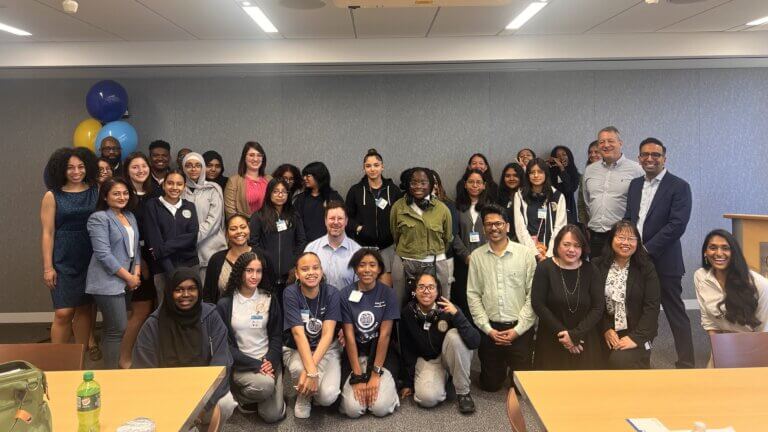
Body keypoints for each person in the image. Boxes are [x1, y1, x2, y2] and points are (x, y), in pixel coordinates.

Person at [132, 268, 235, 431]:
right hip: (165, 394)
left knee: (226, 402)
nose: (185, 294)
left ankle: (202, 425)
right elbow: (143, 371)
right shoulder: (154, 324)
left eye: (191, 289)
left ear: (199, 290)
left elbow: (222, 362)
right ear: (169, 292)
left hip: (204, 391)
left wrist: (203, 408)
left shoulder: (211, 317)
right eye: (178, 290)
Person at [624, 137, 694, 369]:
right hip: (636, 260)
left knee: (675, 313)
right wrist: (628, 245)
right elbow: (629, 218)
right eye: (645, 154)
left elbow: (677, 225)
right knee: (640, 312)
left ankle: (686, 363)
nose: (650, 158)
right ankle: (640, 361)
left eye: (656, 154)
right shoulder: (635, 185)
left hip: (665, 262)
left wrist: (645, 249)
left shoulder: (679, 186)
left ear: (665, 158)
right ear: (639, 158)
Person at [467, 204, 536, 392]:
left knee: (522, 389)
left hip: (520, 329)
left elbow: (533, 295)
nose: (494, 228)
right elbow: (473, 295)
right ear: (483, 228)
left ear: (507, 226)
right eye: (488, 224)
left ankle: (512, 364)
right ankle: (498, 367)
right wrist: (488, 329)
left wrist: (518, 330)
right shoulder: (477, 257)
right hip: (491, 330)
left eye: (498, 223)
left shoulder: (525, 255)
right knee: (490, 385)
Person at [215, 252, 286, 423]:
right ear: (240, 272)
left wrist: (269, 361)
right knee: (265, 386)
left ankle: (259, 395)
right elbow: (225, 346)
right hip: (242, 365)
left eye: (258, 271)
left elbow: (277, 335)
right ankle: (241, 396)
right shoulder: (225, 304)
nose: (254, 276)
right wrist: (256, 364)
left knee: (272, 415)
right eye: (249, 271)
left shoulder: (269, 298)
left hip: (268, 362)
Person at [41, 147, 98, 346]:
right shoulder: (52, 195)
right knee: (63, 313)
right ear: (61, 169)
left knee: (84, 309)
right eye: (70, 167)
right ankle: (57, 360)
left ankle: (79, 358)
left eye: (81, 167)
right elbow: (48, 233)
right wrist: (48, 267)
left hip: (91, 256)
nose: (76, 171)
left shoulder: (96, 191)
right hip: (63, 259)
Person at [399, 273, 480, 413]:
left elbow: (475, 341)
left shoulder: (449, 309)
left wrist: (457, 315)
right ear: (415, 291)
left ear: (438, 291)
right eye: (421, 287)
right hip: (427, 361)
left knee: (455, 337)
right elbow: (406, 349)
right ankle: (446, 377)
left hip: (448, 356)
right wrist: (408, 381)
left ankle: (463, 392)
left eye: (431, 287)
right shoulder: (408, 313)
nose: (426, 291)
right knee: (427, 399)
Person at [84, 178, 141, 369]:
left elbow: (136, 248)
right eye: (116, 193)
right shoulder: (99, 218)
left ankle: (114, 369)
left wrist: (136, 272)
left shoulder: (129, 216)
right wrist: (129, 277)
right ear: (105, 196)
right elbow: (103, 254)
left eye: (125, 193)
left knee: (115, 329)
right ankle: (110, 373)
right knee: (117, 328)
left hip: (127, 280)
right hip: (106, 281)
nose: (122, 197)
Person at [531, 225, 604, 370]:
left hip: (584, 340)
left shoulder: (591, 269)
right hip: (552, 338)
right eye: (566, 244)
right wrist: (566, 337)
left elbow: (598, 307)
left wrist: (576, 335)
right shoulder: (545, 267)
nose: (571, 250)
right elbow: (538, 304)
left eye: (577, 245)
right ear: (557, 245)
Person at [339, 249, 400, 418]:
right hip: (355, 353)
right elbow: (349, 336)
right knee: (353, 410)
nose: (367, 269)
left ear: (379, 269)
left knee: (380, 408)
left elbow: (385, 335)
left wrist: (375, 373)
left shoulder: (388, 294)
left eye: (372, 265)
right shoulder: (345, 294)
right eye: (362, 265)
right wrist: (358, 377)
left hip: (381, 354)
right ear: (355, 268)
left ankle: (390, 392)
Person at [593, 221, 660, 369]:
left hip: (638, 330)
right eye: (621, 237)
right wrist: (606, 329)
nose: (625, 243)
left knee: (619, 360)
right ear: (611, 240)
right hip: (607, 328)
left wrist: (635, 338)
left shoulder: (646, 268)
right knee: (592, 361)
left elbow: (652, 307)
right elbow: (594, 304)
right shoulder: (597, 265)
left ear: (638, 243)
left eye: (631, 239)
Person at [282, 252, 342, 419]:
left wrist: (311, 372)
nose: (311, 272)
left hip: (326, 348)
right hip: (297, 348)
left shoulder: (332, 293)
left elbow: (328, 335)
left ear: (321, 271)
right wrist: (311, 372)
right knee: (298, 368)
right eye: (305, 269)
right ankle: (304, 397)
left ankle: (313, 388)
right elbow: (298, 334)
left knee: (327, 397)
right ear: (297, 274)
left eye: (315, 268)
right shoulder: (290, 293)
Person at [390, 167, 453, 306]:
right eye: (414, 183)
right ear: (408, 185)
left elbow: (447, 238)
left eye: (423, 183)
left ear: (431, 185)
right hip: (405, 261)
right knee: (400, 305)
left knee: (440, 305)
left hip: (435, 261)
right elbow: (395, 234)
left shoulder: (442, 209)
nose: (418, 186)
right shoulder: (398, 207)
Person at [120, 152, 158, 368]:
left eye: (144, 166)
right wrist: (140, 261)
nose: (140, 170)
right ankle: (124, 358)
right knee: (141, 310)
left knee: (154, 309)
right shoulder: (124, 196)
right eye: (135, 167)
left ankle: (144, 355)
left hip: (157, 258)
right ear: (127, 170)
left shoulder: (155, 192)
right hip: (134, 259)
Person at [582, 126, 644, 258]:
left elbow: (643, 204)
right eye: (601, 142)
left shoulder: (637, 170)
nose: (606, 145)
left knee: (623, 271)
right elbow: (587, 201)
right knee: (596, 271)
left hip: (623, 237)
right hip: (595, 236)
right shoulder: (590, 170)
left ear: (620, 143)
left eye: (610, 141)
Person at [344, 149, 402, 288]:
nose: (372, 169)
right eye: (368, 166)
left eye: (376, 165)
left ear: (382, 167)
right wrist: (359, 228)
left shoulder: (393, 190)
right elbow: (346, 218)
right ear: (363, 168)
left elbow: (401, 217)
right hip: (363, 248)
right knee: (364, 288)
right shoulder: (356, 190)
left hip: (387, 248)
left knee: (385, 290)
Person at [695, 230, 768, 336]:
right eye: (713, 248)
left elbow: (764, 330)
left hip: (755, 342)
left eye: (725, 248)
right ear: (705, 252)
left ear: (734, 253)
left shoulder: (760, 284)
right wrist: (718, 344)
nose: (719, 253)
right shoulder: (701, 276)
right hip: (721, 341)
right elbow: (708, 320)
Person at [144, 170, 200, 306]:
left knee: (190, 305)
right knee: (165, 306)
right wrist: (172, 273)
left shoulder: (190, 206)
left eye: (179, 184)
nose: (174, 187)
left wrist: (164, 247)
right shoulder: (152, 205)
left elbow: (191, 237)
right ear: (163, 185)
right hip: (163, 266)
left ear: (184, 186)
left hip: (190, 265)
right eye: (170, 183)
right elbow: (153, 239)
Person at [249, 178, 307, 301]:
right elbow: (253, 243)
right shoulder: (258, 216)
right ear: (269, 193)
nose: (280, 195)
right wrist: (264, 263)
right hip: (266, 274)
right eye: (276, 191)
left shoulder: (294, 215)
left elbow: (301, 241)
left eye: (284, 192)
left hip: (289, 274)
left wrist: (294, 263)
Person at [452, 169, 490, 324]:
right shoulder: (455, 207)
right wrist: (466, 256)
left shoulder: (490, 207)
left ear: (484, 185)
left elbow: (495, 233)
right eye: (471, 182)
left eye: (478, 182)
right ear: (465, 184)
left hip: (486, 261)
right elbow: (453, 235)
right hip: (463, 262)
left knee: (484, 299)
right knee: (464, 299)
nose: (475, 185)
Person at [181, 152, 227, 283]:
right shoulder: (179, 189)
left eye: (197, 165)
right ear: (183, 168)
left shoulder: (213, 189)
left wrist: (192, 238)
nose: (193, 169)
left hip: (212, 249)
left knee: (212, 291)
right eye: (189, 165)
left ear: (202, 168)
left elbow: (214, 221)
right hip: (187, 253)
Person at [513, 158, 567, 261]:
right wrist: (535, 253)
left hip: (552, 253)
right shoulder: (519, 196)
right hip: (527, 251)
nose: (536, 175)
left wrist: (548, 254)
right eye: (532, 172)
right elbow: (520, 227)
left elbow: (560, 227)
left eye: (540, 172)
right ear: (527, 175)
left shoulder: (557, 196)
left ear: (546, 174)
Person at [304, 201, 361, 290]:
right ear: (325, 221)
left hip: (347, 299)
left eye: (340, 218)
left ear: (346, 221)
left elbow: (361, 288)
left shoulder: (357, 252)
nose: (336, 222)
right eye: (332, 218)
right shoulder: (311, 249)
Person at [205, 215, 253, 304]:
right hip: (223, 311)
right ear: (226, 233)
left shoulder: (261, 257)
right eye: (233, 229)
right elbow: (208, 296)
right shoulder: (216, 260)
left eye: (243, 227)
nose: (239, 231)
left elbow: (269, 294)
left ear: (249, 229)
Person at [294, 161, 344, 243]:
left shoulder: (333, 198)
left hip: (329, 244)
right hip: (306, 246)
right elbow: (296, 224)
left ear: (318, 176)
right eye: (304, 175)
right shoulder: (301, 199)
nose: (304, 178)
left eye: (308, 176)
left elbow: (341, 222)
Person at [224, 141, 269, 218]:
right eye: (251, 155)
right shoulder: (233, 181)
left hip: (269, 224)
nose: (255, 159)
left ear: (263, 158)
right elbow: (230, 212)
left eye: (259, 155)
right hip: (244, 225)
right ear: (244, 158)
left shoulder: (269, 179)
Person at [549, 145, 580, 224]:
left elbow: (569, 189)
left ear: (569, 156)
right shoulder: (550, 173)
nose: (561, 157)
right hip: (554, 207)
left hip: (569, 207)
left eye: (564, 154)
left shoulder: (574, 173)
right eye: (558, 156)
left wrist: (562, 168)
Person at [497, 162, 525, 241]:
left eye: (515, 175)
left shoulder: (526, 196)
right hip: (504, 240)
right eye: (507, 176)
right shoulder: (499, 196)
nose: (511, 179)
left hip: (524, 240)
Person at [577, 140, 601, 227]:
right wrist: (584, 224)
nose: (593, 155)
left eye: (596, 152)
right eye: (590, 152)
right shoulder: (585, 176)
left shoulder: (612, 174)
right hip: (590, 223)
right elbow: (581, 202)